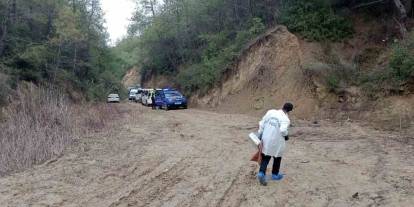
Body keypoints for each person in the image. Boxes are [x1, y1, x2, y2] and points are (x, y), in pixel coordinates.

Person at [257, 102, 293, 186]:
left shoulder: (271, 112)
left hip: (266, 138)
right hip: (277, 141)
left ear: (282, 106)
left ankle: (261, 173)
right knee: (277, 157)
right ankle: (275, 175)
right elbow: (283, 130)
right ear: (289, 111)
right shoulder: (285, 119)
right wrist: (286, 135)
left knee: (266, 157)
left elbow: (262, 123)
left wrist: (260, 133)